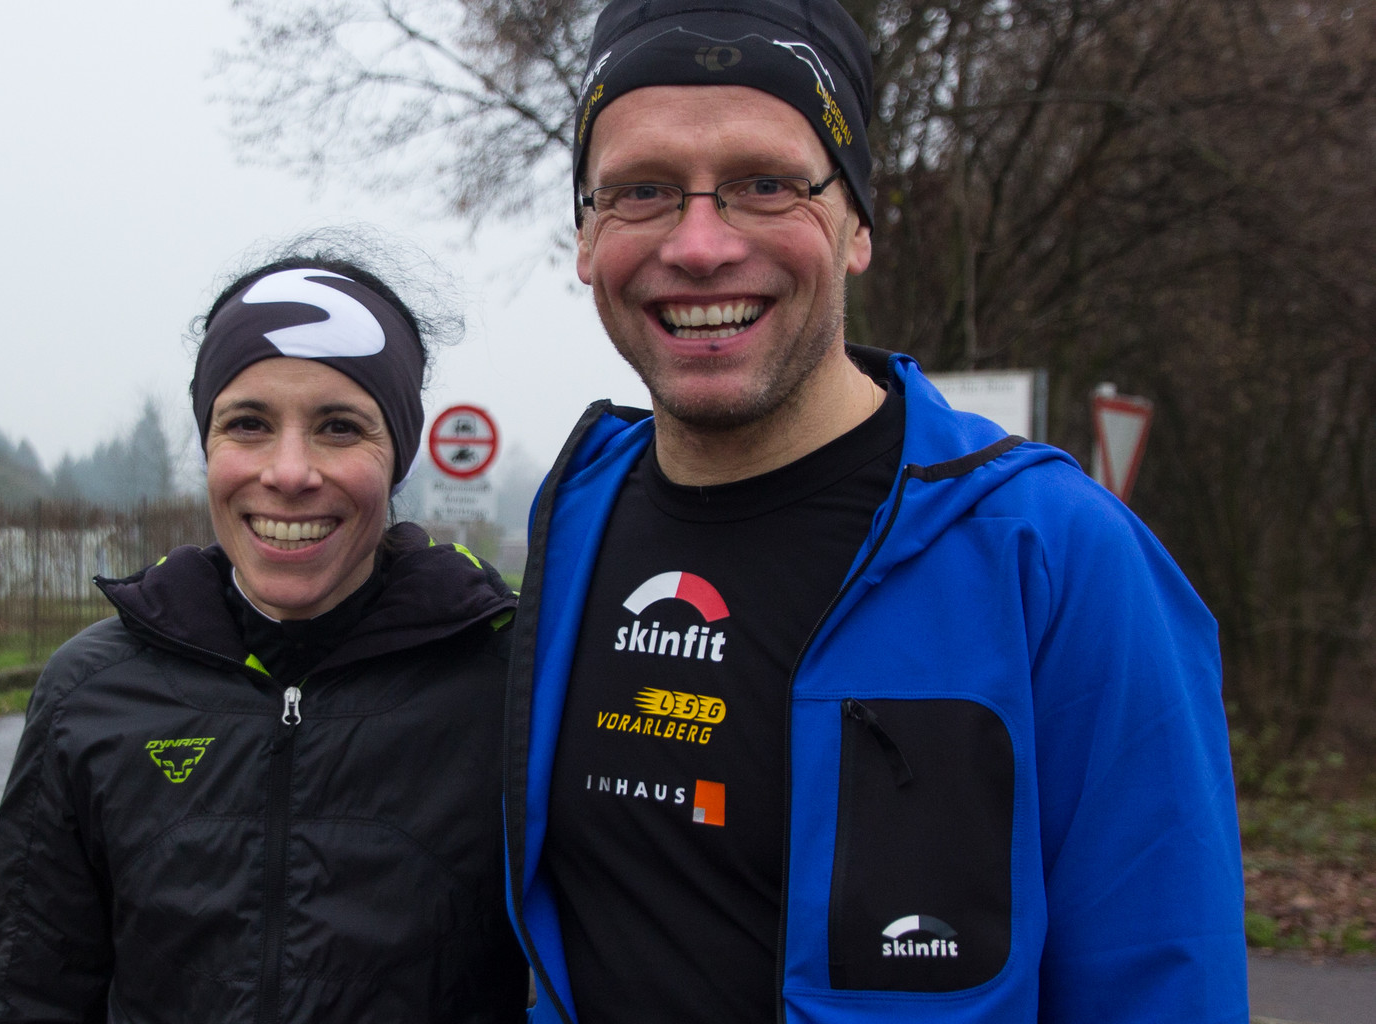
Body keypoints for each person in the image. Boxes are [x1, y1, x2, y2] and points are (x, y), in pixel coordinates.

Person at [502, 1, 1248, 1022]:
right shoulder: (572, 524)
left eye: (766, 183)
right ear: (586, 237)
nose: (700, 244)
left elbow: (1161, 980)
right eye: (642, 190)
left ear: (856, 223)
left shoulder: (1056, 555)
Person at [0, 246, 528, 1023]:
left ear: (398, 455)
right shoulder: (88, 694)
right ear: (208, 446)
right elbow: (32, 1001)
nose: (289, 471)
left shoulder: (513, 685)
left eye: (340, 426)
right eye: (248, 424)